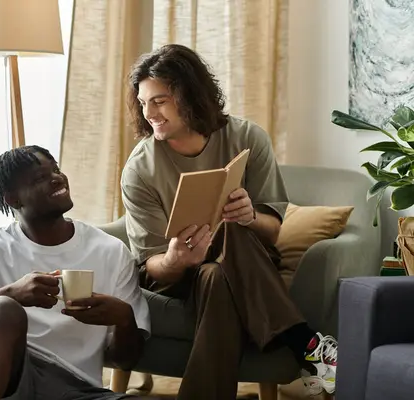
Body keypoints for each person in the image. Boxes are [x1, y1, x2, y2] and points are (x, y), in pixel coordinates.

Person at [120, 44, 337, 399]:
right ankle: (306, 343)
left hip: (239, 261)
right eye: (143, 103)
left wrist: (250, 216)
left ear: (189, 94)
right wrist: (176, 260)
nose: (149, 113)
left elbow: (274, 231)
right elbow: (151, 266)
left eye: (159, 101)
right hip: (178, 277)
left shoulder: (247, 138)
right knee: (212, 262)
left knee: (221, 265)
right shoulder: (139, 170)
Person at [0, 145, 156, 400]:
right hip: (7, 382)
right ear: (13, 199)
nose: (56, 178)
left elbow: (125, 360)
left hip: (77, 390)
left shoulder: (111, 251)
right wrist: (11, 294)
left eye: (55, 169)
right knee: (3, 309)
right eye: (40, 178)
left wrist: (124, 318)